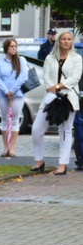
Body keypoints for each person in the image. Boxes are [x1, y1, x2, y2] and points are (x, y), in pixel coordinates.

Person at [30, 30, 82, 176]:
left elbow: (75, 78)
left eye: (69, 39)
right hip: (51, 97)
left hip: (68, 98)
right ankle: (39, 160)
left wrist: (58, 86)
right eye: (63, 39)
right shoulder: (50, 58)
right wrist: (51, 88)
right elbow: (45, 76)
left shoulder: (77, 58)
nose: (66, 41)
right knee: (36, 129)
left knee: (65, 131)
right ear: (58, 41)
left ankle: (62, 164)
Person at [0, 38, 28, 158]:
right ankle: (5, 147)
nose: (14, 48)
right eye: (11, 46)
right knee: (4, 120)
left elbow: (23, 76)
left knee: (14, 120)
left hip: (17, 95)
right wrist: (5, 90)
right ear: (6, 48)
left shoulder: (21, 60)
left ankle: (12, 148)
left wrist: (12, 90)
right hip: (3, 94)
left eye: (15, 46)